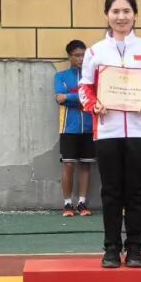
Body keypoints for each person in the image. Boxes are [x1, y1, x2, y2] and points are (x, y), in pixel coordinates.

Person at [79, 0, 141, 269]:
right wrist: (94, 105)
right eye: (115, 11)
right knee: (111, 191)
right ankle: (111, 248)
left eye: (126, 11)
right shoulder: (95, 51)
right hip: (107, 131)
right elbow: (85, 87)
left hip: (139, 131)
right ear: (107, 15)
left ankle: (135, 248)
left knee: (136, 191)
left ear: (135, 15)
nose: (121, 17)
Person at [55, 39, 94, 217]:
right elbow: (59, 98)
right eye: (77, 55)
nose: (81, 59)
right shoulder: (61, 76)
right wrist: (82, 96)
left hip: (89, 126)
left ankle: (82, 202)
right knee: (69, 164)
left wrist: (70, 96)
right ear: (70, 57)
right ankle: (67, 203)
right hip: (68, 127)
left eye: (83, 55)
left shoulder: (91, 78)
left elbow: (93, 96)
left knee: (85, 165)